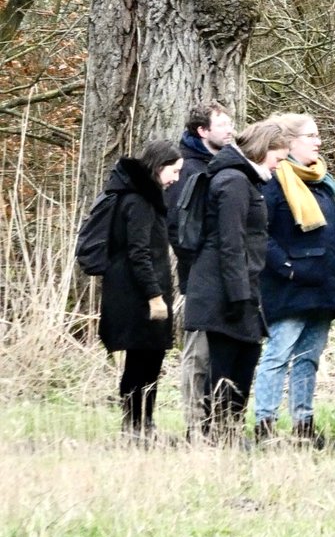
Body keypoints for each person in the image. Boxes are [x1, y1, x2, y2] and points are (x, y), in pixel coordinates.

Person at [183, 121, 291, 444]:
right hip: (224, 291)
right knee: (228, 365)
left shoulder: (244, 180)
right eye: (279, 157)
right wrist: (238, 296)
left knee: (245, 358)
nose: (280, 164)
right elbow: (231, 243)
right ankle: (217, 433)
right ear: (263, 149)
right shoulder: (233, 182)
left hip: (239, 287)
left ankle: (228, 430)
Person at [252, 113, 335, 445]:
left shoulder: (322, 180)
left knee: (309, 358)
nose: (318, 141)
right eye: (311, 135)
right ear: (290, 142)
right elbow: (259, 233)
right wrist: (288, 267)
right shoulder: (273, 181)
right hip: (288, 288)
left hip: (325, 285)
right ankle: (264, 425)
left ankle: (303, 425)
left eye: (317, 135)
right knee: (277, 355)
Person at [99, 140, 183, 439]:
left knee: (148, 360)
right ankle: (136, 425)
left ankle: (143, 423)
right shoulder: (139, 202)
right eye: (173, 171)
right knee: (142, 363)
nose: (176, 178)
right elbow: (139, 253)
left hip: (140, 293)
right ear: (159, 167)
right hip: (138, 297)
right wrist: (154, 295)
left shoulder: (143, 197)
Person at [166, 100, 235, 441]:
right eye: (221, 124)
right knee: (198, 351)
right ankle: (195, 422)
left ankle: (218, 419)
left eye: (229, 123)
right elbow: (180, 228)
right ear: (202, 131)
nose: (230, 129)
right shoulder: (188, 170)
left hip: (225, 275)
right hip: (198, 277)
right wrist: (199, 265)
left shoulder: (224, 166)